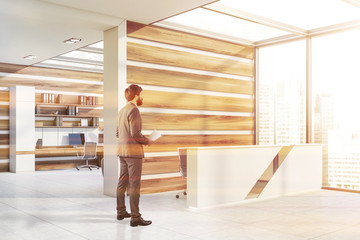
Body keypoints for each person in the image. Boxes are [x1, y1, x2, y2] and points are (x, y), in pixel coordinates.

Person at [116, 84, 152, 227]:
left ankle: (120, 212)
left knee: (122, 183)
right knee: (135, 185)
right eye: (141, 94)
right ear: (137, 95)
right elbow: (135, 134)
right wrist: (148, 141)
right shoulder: (134, 110)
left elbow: (117, 133)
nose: (142, 97)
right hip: (133, 154)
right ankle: (135, 217)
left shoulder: (122, 110)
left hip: (122, 152)